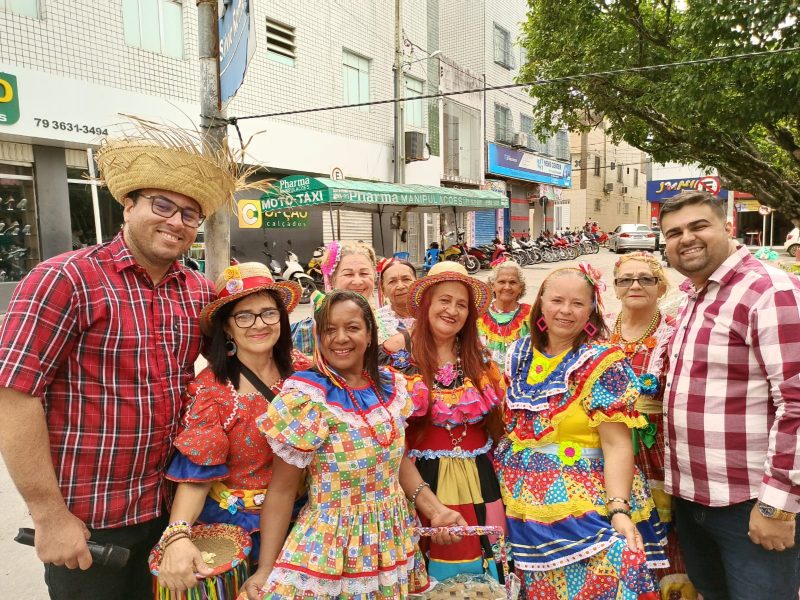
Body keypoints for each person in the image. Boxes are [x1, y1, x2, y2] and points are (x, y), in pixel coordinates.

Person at [0, 121, 267, 599]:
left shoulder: (197, 294)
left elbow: (246, 357)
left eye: (190, 213)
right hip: (91, 521)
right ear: (128, 204)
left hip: (173, 515)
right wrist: (48, 515)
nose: (176, 221)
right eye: (161, 205)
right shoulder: (65, 280)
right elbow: (14, 396)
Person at [241, 290, 462, 599]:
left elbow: (395, 460)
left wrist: (436, 509)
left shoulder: (390, 386)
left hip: (391, 536)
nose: (340, 338)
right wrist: (266, 567)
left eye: (352, 327)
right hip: (333, 546)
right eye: (330, 329)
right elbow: (282, 490)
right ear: (318, 336)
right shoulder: (307, 397)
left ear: (370, 334)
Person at [660, 190, 800, 600]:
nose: (686, 238)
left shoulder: (769, 291)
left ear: (727, 226)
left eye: (698, 225)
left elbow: (796, 404)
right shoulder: (695, 295)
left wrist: (777, 506)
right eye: (674, 232)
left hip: (751, 504)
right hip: (693, 499)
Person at [495, 264, 666, 599]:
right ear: (541, 302)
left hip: (584, 498)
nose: (565, 311)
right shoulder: (519, 353)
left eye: (577, 303)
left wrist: (618, 509)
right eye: (557, 300)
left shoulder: (603, 360)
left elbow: (617, 444)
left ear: (592, 309)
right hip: (521, 503)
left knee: (606, 576)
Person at [156, 263, 311, 594]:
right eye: (244, 316)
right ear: (227, 327)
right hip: (236, 529)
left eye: (269, 313)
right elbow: (197, 476)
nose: (259, 324)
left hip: (304, 521)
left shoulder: (307, 373)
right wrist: (178, 533)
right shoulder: (212, 391)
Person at [381, 261, 506, 582]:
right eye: (444, 300)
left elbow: (499, 426)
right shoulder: (396, 356)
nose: (452, 310)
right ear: (426, 304)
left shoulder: (480, 357)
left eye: (461, 304)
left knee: (485, 570)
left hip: (480, 480)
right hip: (421, 482)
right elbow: (388, 438)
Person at [608, 252, 696, 598]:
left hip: (657, 448)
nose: (635, 285)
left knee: (666, 530)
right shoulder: (600, 331)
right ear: (615, 288)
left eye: (646, 278)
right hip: (608, 447)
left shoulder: (675, 334)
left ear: (661, 287)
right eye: (626, 279)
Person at [290, 240, 377, 354]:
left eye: (364, 273)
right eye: (348, 274)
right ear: (332, 279)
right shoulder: (308, 331)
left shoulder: (388, 324)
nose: (357, 281)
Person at [477, 259, 531, 368]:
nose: (507, 287)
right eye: (501, 282)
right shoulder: (479, 316)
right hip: (485, 381)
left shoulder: (531, 315)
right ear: (492, 286)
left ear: (520, 287)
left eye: (513, 282)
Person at [375, 257, 417, 343]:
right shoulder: (375, 321)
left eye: (406, 279)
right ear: (383, 290)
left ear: (417, 282)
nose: (400, 286)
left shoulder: (432, 314)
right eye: (392, 281)